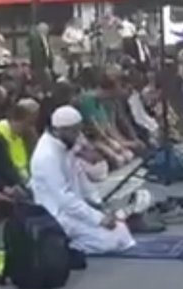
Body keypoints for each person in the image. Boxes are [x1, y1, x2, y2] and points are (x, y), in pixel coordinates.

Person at [30, 105, 135, 255]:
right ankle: (66, 247)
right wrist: (98, 219)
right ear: (61, 130)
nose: (78, 135)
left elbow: (80, 178)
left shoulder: (66, 145)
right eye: (74, 131)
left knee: (121, 232)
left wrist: (98, 205)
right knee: (112, 241)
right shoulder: (46, 156)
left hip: (76, 210)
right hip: (58, 215)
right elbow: (64, 199)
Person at [0, 101, 37, 184]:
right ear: (18, 119)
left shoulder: (22, 135)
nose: (30, 128)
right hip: (8, 182)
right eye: (29, 123)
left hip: (24, 179)